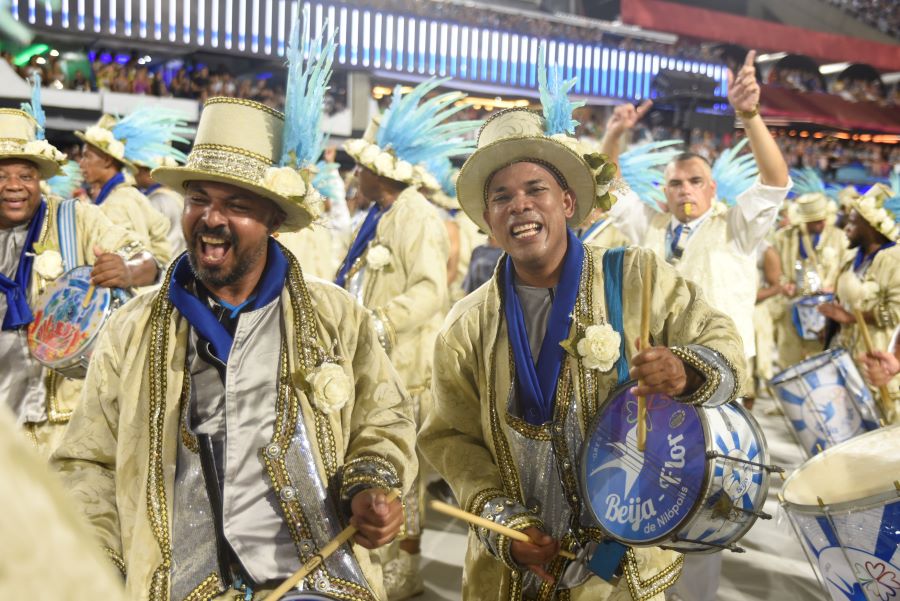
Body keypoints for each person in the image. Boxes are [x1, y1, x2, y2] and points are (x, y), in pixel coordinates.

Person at [51, 95, 417, 600]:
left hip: (315, 582)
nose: (211, 219)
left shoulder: (337, 318)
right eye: (198, 199)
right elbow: (86, 462)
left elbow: (384, 420)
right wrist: (100, 562)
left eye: (237, 206)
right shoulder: (130, 329)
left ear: (271, 218)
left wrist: (372, 486)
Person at [419, 50, 747, 601]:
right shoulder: (466, 324)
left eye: (535, 190)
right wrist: (505, 522)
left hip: (625, 568)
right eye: (501, 197)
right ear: (489, 223)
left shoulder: (636, 276)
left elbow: (723, 340)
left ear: (568, 202)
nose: (519, 206)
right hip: (516, 570)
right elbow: (450, 436)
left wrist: (685, 372)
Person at [340, 78, 476, 599]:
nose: (354, 174)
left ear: (380, 174)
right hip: (376, 364)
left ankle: (402, 577)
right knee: (380, 471)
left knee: (404, 477)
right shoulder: (384, 212)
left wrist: (380, 322)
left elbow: (429, 290)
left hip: (404, 369)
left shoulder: (416, 214)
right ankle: (379, 567)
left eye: (361, 167)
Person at [606, 51, 790, 394]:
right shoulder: (652, 225)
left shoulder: (737, 227)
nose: (685, 191)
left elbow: (775, 182)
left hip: (717, 368)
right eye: (675, 184)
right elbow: (610, 186)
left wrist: (748, 115)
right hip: (654, 367)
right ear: (665, 191)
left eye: (695, 181)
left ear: (712, 188)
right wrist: (614, 135)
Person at [0, 106, 160, 457]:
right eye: (1, 175)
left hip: (64, 426)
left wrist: (128, 270)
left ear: (40, 178)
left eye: (25, 176)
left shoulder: (75, 217)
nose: (14, 186)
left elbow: (148, 260)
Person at [819, 183, 900, 419]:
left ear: (872, 227)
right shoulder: (852, 257)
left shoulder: (893, 259)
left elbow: (896, 312)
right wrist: (831, 327)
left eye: (854, 222)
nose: (846, 227)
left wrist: (852, 318)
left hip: (879, 364)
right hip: (845, 358)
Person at [76, 110, 186, 271]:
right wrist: (152, 273)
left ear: (107, 160)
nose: (81, 163)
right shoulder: (133, 195)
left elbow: (108, 261)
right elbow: (161, 242)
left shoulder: (116, 203)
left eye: (87, 156)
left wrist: (135, 276)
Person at [772, 192, 847, 368]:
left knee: (822, 360)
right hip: (791, 306)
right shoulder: (784, 237)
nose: (821, 223)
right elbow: (774, 270)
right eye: (815, 220)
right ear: (804, 220)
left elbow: (846, 269)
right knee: (789, 358)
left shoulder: (839, 237)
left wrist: (835, 287)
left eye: (823, 219)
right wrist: (783, 284)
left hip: (825, 308)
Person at [134, 155, 189, 257]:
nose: (135, 174)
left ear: (149, 173)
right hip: (175, 258)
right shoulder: (176, 195)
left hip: (162, 262)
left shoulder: (157, 199)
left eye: (139, 170)